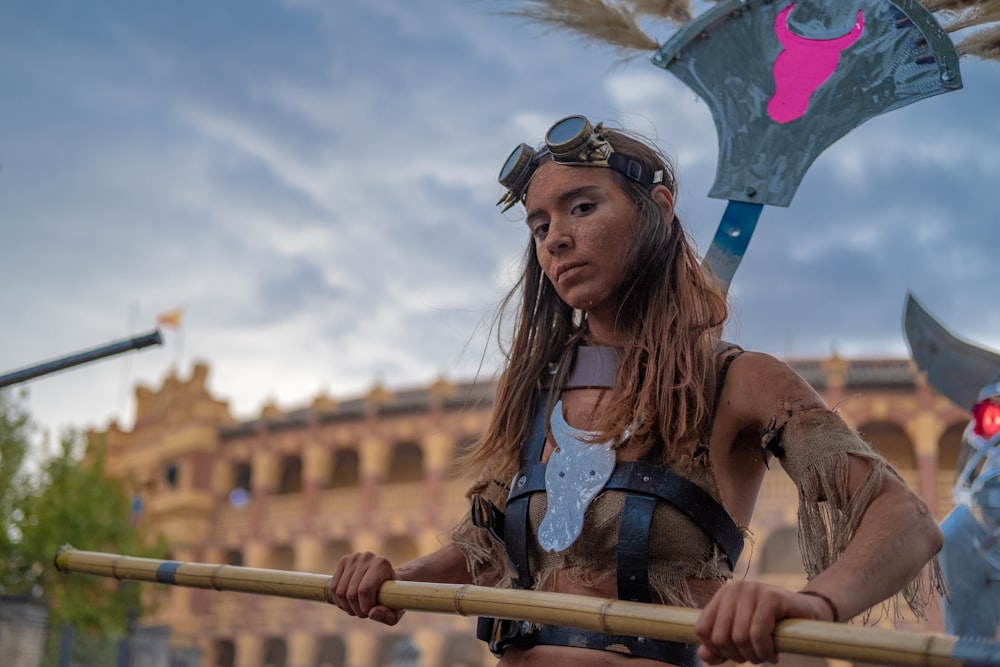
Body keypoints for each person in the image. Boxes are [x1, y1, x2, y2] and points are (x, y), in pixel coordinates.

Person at [329, 115, 944, 666]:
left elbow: (907, 521)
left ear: (659, 206)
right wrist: (394, 577)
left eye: (582, 208)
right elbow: (488, 542)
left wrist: (816, 604)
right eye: (539, 225)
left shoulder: (739, 379)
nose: (555, 239)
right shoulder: (537, 394)